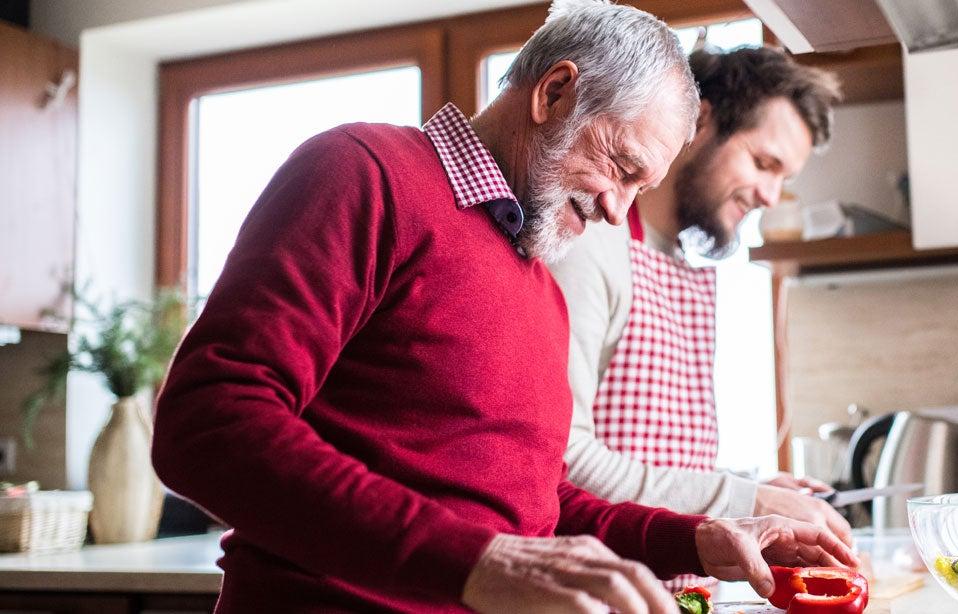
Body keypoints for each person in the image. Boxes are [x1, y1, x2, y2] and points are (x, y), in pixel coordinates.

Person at [150, 2, 854, 612]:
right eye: (620, 166)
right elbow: (208, 424)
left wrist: (694, 538)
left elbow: (539, 505)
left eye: (641, 187)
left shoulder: (541, 281)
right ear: (554, 92)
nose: (616, 209)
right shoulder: (364, 171)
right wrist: (478, 564)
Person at [551, 46, 851, 553]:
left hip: (675, 584)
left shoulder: (680, 265)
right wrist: (744, 501)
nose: (771, 196)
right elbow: (566, 460)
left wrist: (752, 488)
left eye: (784, 177)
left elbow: (656, 458)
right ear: (701, 123)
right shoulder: (590, 244)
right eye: (763, 163)